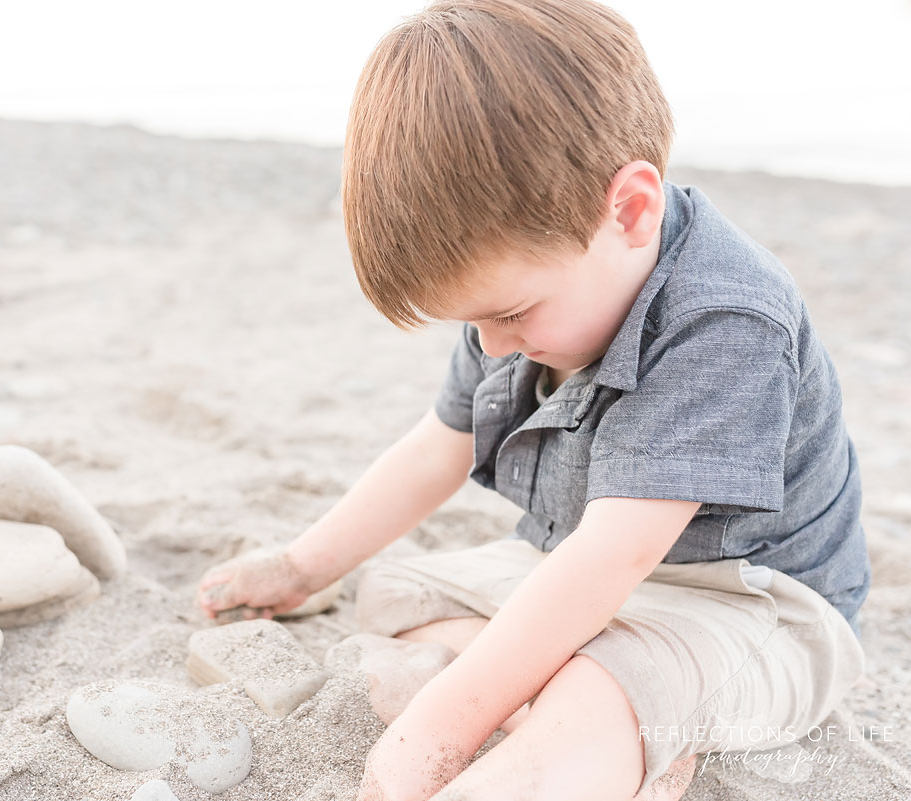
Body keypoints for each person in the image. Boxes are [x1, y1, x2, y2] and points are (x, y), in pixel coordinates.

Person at [195, 1, 870, 799]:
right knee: (390, 587)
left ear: (629, 210)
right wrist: (304, 564)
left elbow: (612, 552)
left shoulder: (724, 318)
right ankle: (581, 711)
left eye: (509, 314)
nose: (491, 347)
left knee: (613, 683)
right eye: (475, 321)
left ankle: (590, 711)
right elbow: (434, 447)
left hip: (749, 608)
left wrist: (441, 728)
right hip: (577, 568)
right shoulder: (519, 305)